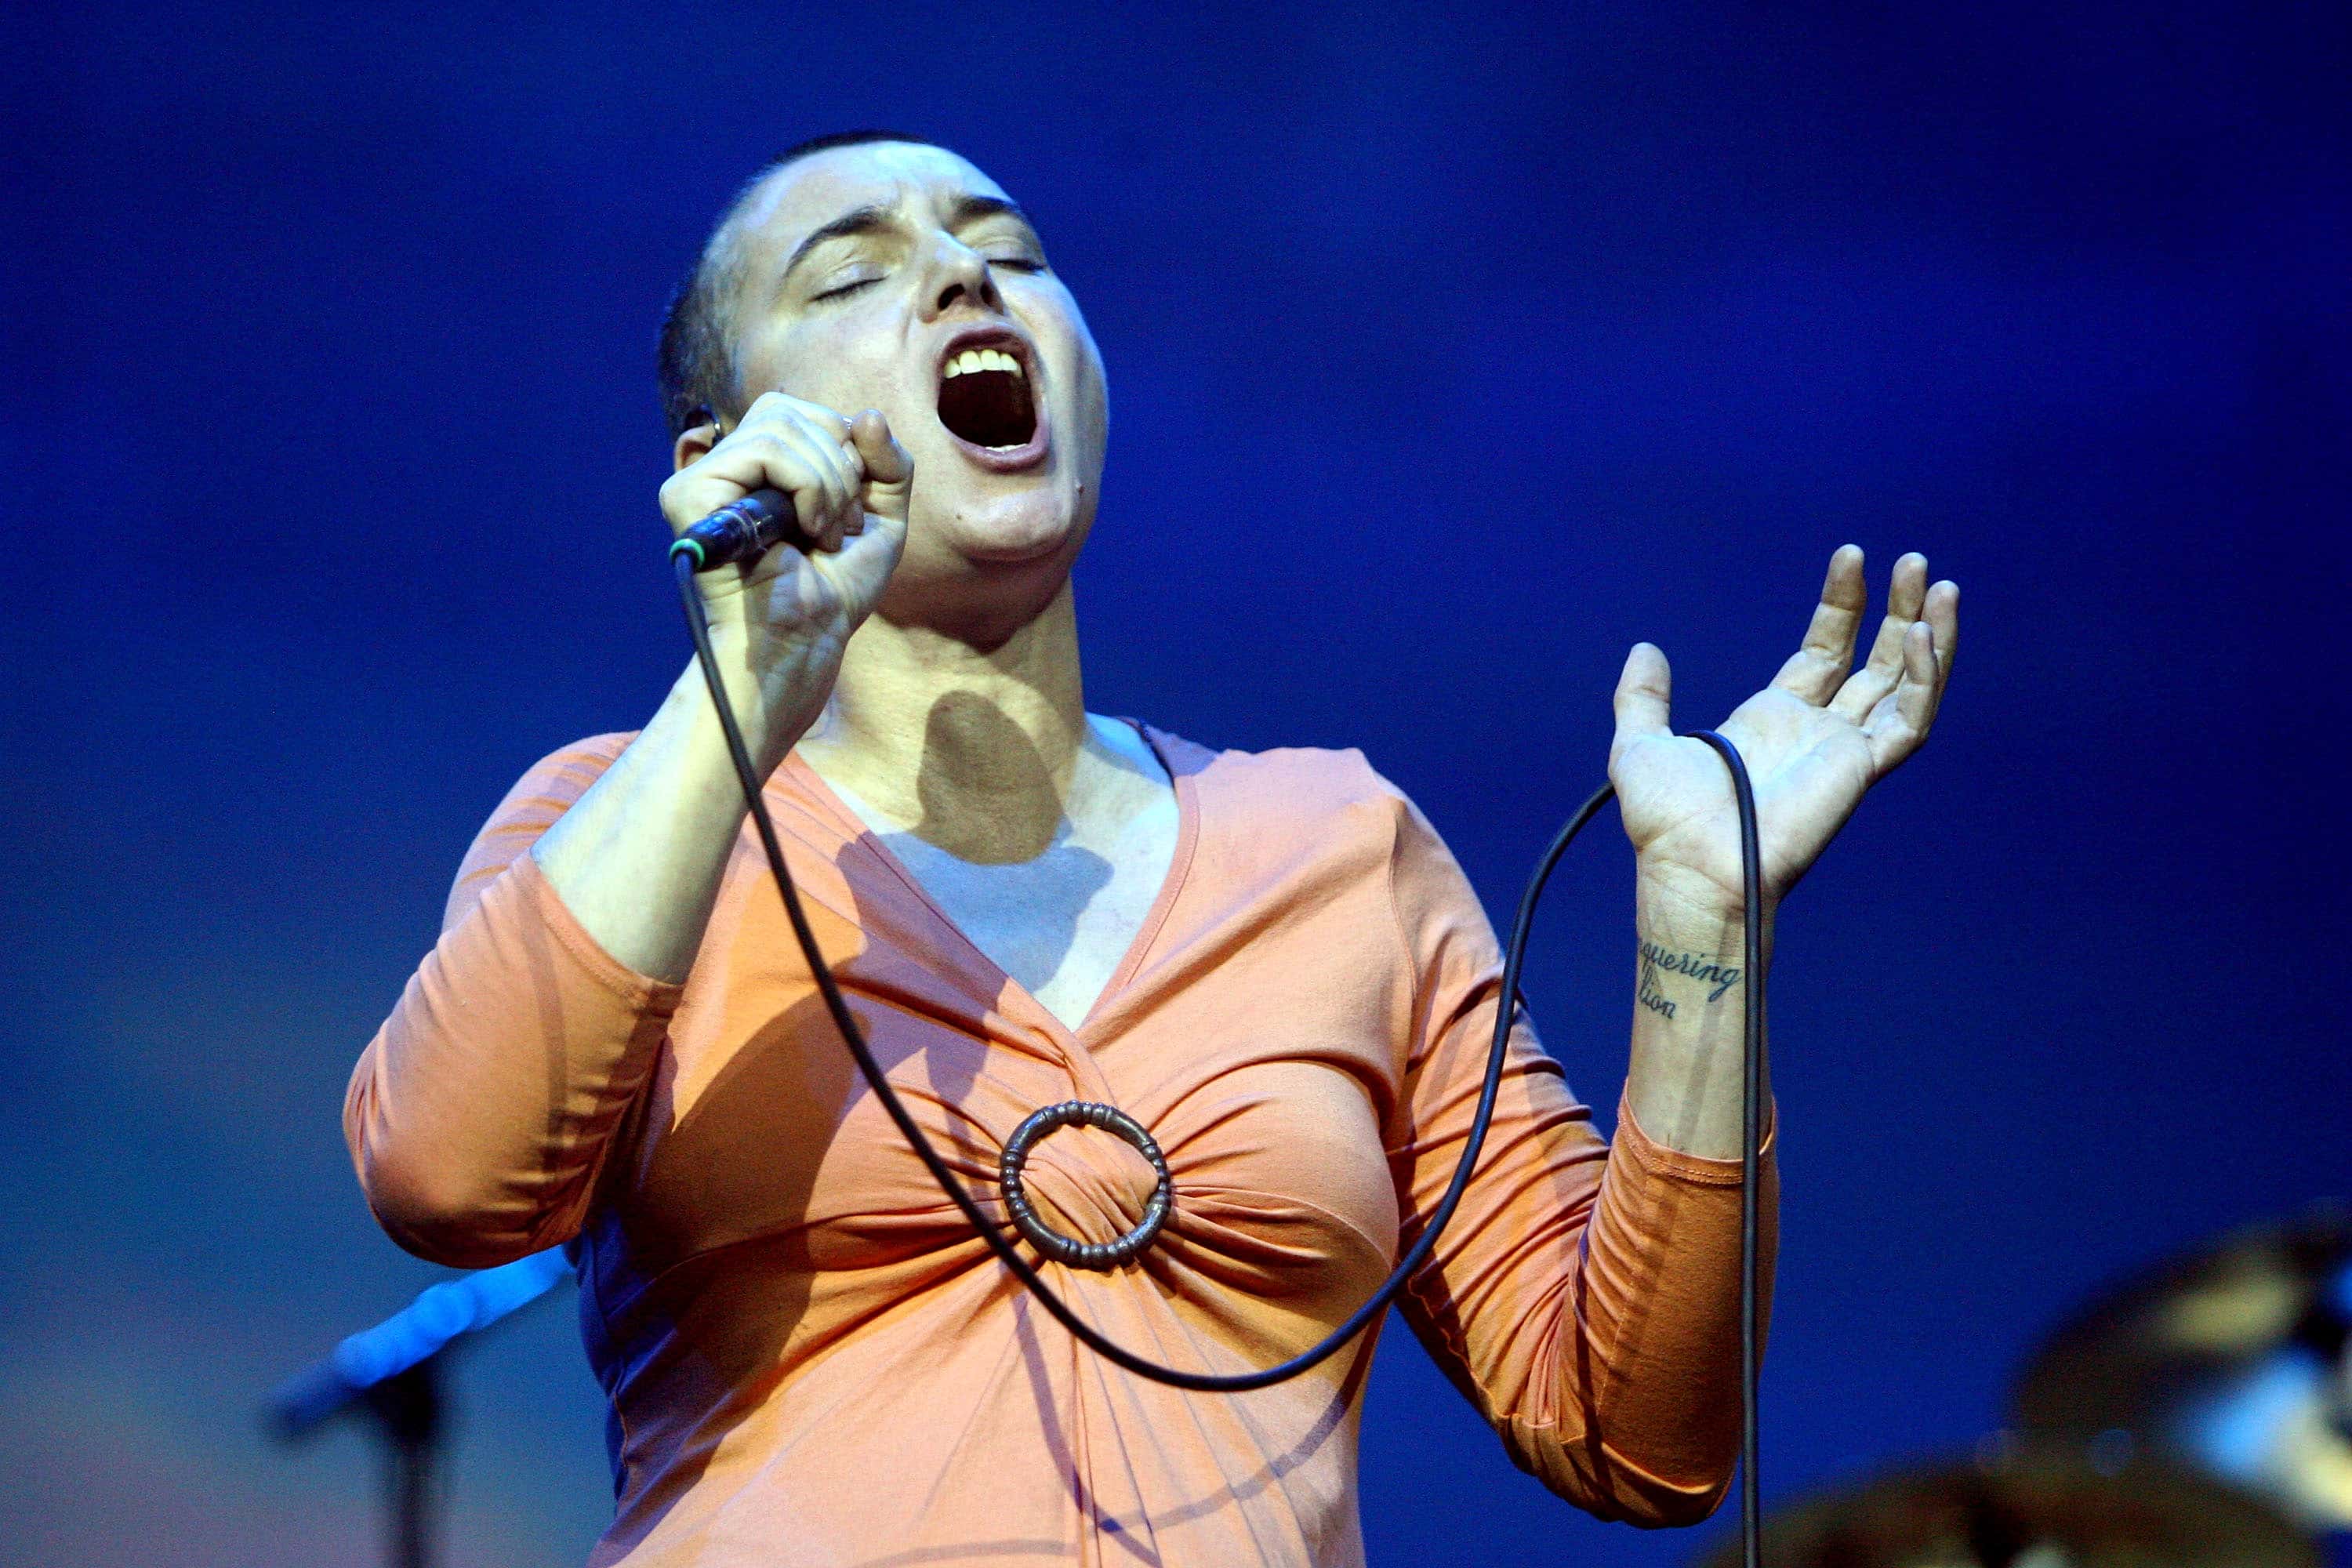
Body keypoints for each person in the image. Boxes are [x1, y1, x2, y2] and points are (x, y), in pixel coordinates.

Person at [344, 131, 1959, 1566]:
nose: (968, 275)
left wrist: (1705, 928)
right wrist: (739, 681)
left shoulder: (1338, 848)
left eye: (1015, 253)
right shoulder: (623, 820)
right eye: (855, 275)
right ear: (719, 446)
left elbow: (1639, 1437)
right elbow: (443, 1177)